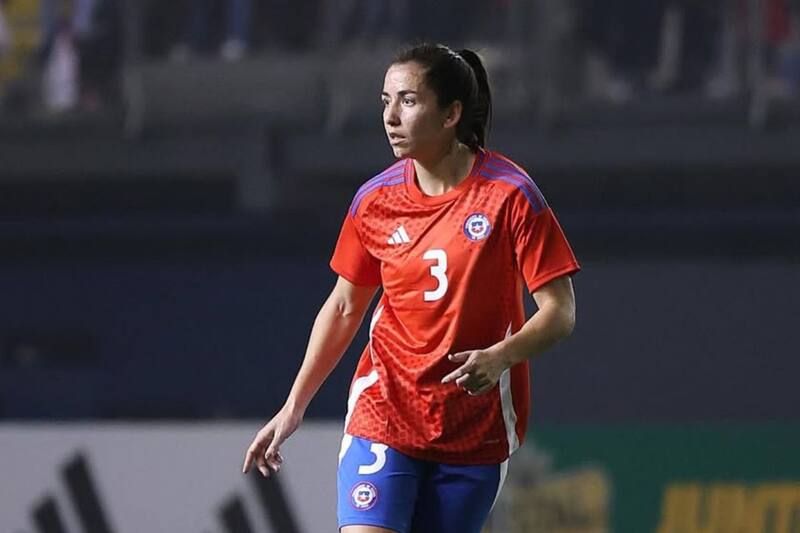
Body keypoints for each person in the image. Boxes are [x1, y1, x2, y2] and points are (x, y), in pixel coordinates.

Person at [242, 43, 580, 533]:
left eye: (408, 101)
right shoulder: (374, 201)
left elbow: (560, 311)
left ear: (451, 114)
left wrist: (501, 355)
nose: (391, 117)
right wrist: (294, 407)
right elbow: (343, 307)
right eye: (385, 101)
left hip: (474, 428)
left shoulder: (510, 196)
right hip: (386, 412)